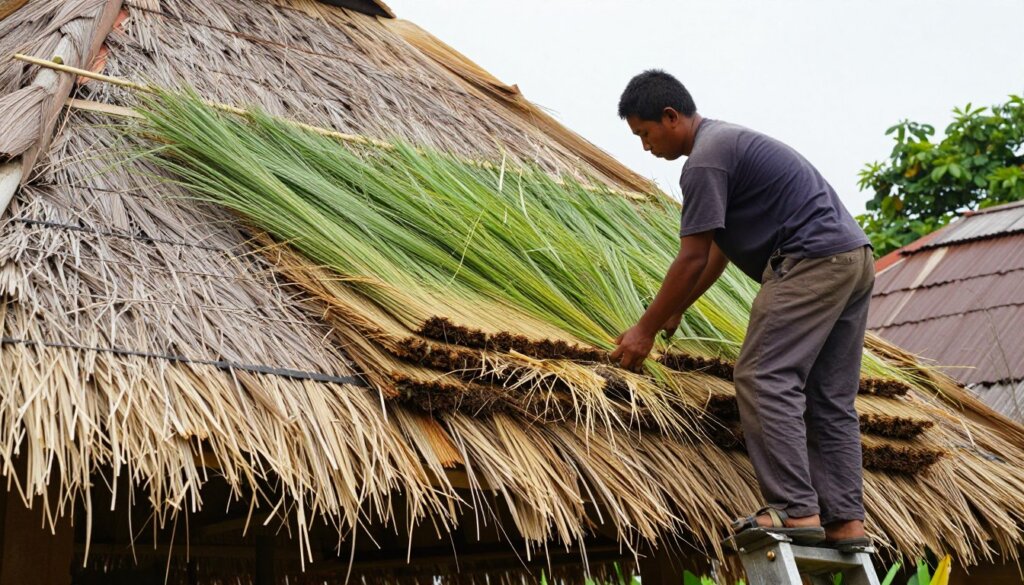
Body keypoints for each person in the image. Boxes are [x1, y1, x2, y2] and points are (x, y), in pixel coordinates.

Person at [609, 70, 874, 550]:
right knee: (831, 397)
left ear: (671, 117)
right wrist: (675, 309)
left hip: (808, 260)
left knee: (763, 376)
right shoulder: (729, 144)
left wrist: (643, 330)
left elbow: (690, 256)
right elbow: (718, 252)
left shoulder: (705, 162)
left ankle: (795, 511)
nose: (644, 147)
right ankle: (846, 522)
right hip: (852, 259)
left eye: (645, 134)